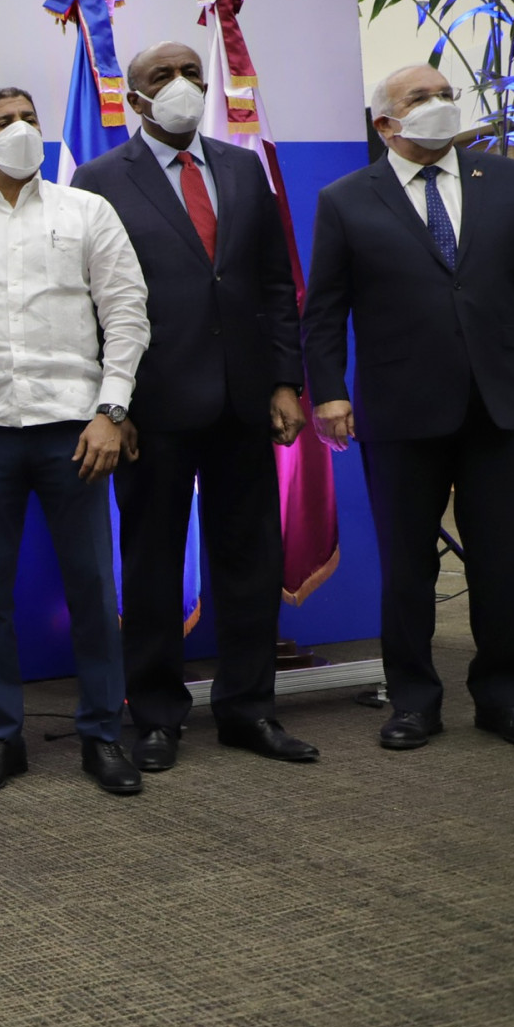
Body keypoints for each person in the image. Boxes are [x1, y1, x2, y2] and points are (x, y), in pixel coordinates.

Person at [302, 63, 514, 751]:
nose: (441, 104)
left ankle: (506, 698)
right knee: (407, 565)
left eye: (446, 94)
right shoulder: (345, 199)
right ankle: (414, 701)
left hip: (499, 402)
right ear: (384, 123)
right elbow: (325, 310)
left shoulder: (505, 181)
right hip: (400, 407)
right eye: (420, 97)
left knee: (499, 560)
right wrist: (328, 391)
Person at [69, 42, 319, 772]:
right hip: (152, 406)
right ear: (134, 98)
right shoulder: (98, 179)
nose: (181, 85)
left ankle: (249, 710)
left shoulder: (243, 168)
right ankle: (155, 717)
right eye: (163, 77)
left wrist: (285, 382)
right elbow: (88, 305)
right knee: (151, 565)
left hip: (245, 401)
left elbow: (276, 284)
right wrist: (114, 407)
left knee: (250, 560)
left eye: (191, 74)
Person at [0, 87, 150, 796]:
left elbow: (127, 312)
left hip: (77, 430)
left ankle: (102, 735)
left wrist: (112, 410)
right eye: (4, 122)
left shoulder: (87, 212)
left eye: (29, 119)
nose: (22, 130)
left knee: (92, 587)